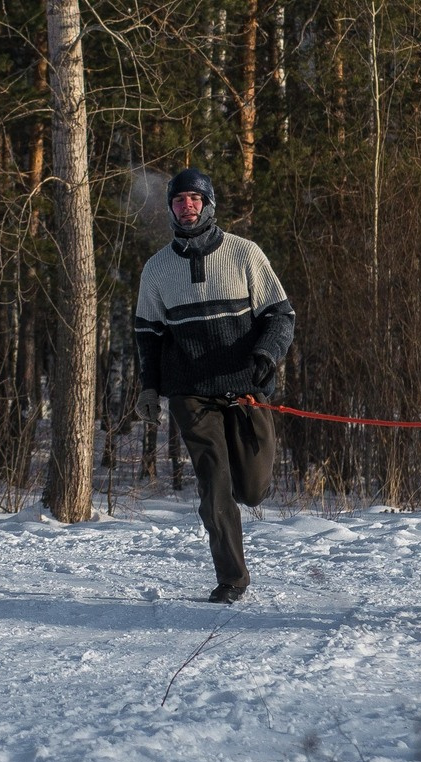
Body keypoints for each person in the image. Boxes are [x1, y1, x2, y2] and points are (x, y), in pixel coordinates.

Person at [132, 168, 295, 604]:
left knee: (253, 488)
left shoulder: (245, 254)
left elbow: (281, 316)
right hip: (192, 392)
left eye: (194, 199)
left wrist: (266, 356)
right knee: (214, 486)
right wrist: (150, 388)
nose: (187, 206)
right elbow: (147, 334)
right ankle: (232, 579)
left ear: (208, 204)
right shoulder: (157, 270)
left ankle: (245, 496)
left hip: (245, 388)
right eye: (179, 199)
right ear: (170, 208)